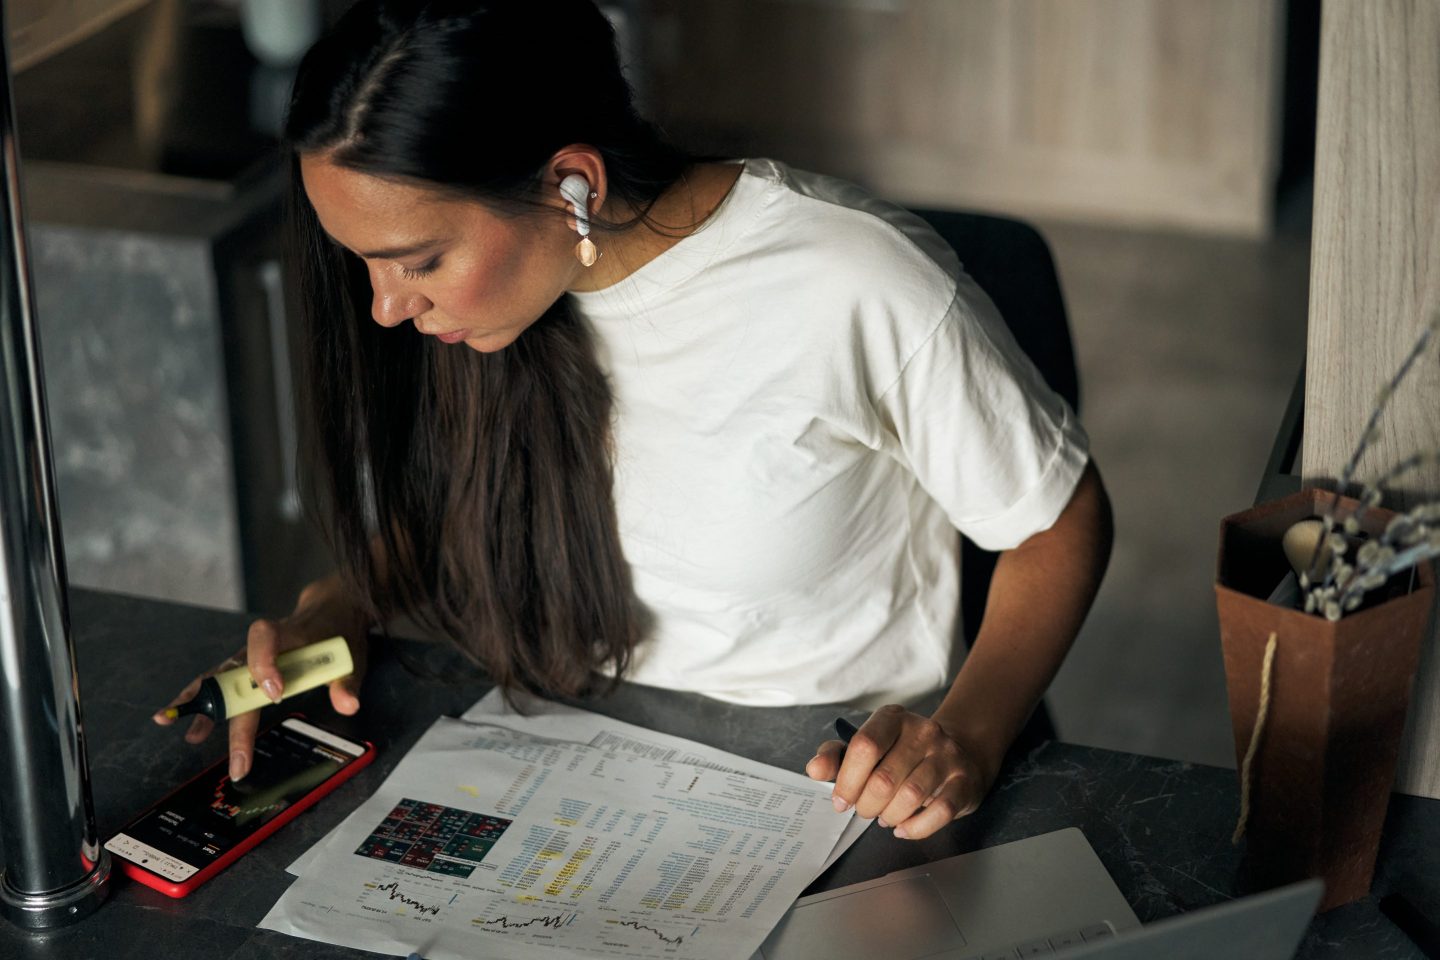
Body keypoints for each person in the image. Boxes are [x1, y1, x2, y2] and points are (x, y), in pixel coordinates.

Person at [155, 0, 1112, 842]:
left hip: (825, 783)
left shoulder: (851, 284)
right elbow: (472, 500)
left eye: (418, 261)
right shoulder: (497, 310)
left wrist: (969, 737)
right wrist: (343, 602)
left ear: (573, 184)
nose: (386, 309)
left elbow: (1057, 520)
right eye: (364, 262)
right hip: (581, 771)